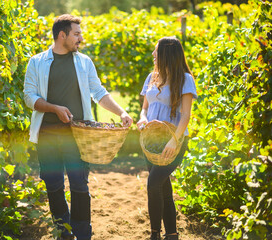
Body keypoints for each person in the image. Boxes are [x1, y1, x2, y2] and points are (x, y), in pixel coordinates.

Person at [23, 14, 132, 240]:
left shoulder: (84, 62)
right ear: (62, 35)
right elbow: (29, 97)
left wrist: (121, 112)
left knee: (80, 187)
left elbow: (99, 93)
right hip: (47, 137)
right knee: (53, 187)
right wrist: (54, 108)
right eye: (76, 34)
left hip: (79, 136)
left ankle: (83, 235)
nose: (81, 38)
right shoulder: (37, 62)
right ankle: (64, 233)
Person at [136, 37, 197, 240]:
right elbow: (144, 108)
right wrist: (142, 120)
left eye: (156, 51)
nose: (153, 55)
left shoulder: (185, 79)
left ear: (166, 54)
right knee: (162, 186)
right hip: (151, 140)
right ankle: (171, 233)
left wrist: (174, 141)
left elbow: (186, 115)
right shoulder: (151, 77)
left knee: (153, 183)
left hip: (174, 141)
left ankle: (154, 234)